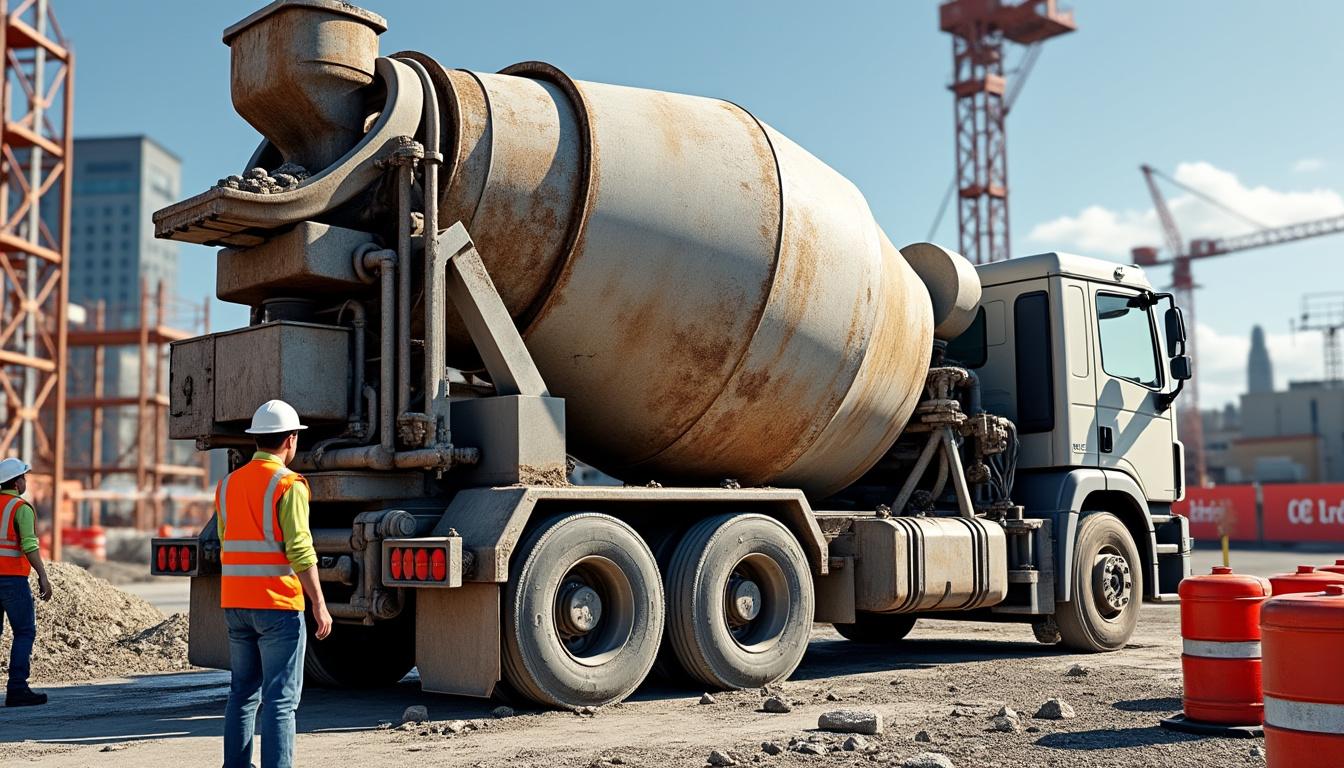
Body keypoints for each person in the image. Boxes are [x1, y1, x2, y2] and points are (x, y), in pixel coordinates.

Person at [219, 400, 332, 768]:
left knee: (242, 693)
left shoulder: (227, 485)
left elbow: (226, 541)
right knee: (281, 700)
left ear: (256, 441)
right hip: (277, 607)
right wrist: (318, 602)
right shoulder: (288, 484)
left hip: (236, 604)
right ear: (291, 440)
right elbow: (300, 549)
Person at [0, 457, 52, 707]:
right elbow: (29, 545)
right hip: (12, 579)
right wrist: (42, 574)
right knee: (24, 631)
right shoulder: (20, 507)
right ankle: (17, 689)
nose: (26, 481)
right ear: (16, 482)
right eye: (24, 477)